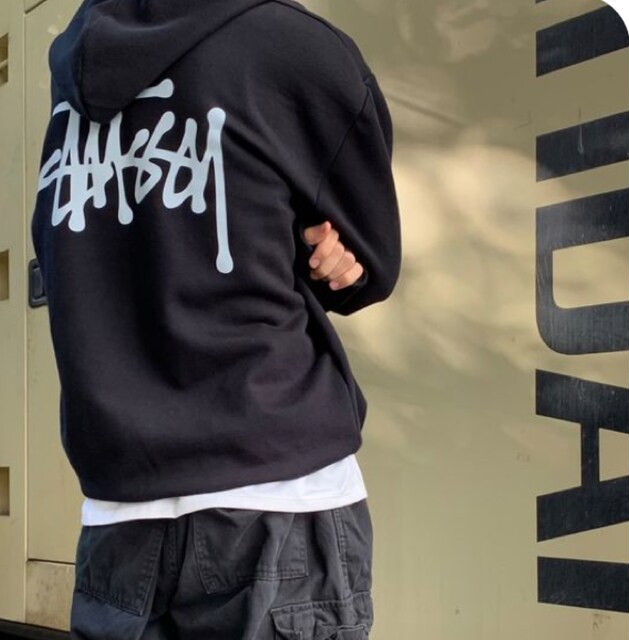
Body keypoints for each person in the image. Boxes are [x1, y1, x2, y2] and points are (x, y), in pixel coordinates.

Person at [30, 0, 402, 637]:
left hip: (120, 514)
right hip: (278, 500)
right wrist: (326, 256)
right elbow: (370, 263)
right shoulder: (297, 47)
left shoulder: (76, 68)